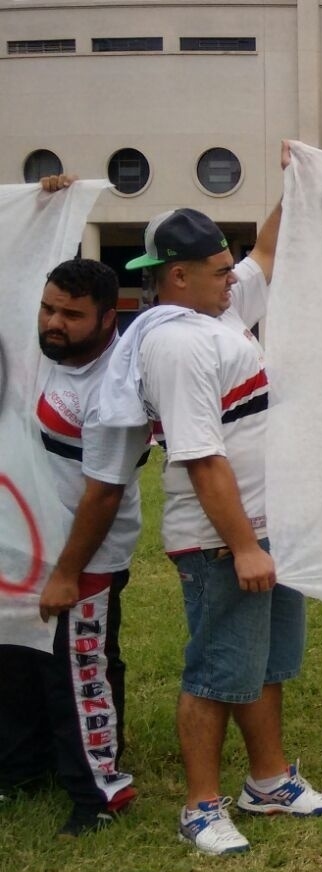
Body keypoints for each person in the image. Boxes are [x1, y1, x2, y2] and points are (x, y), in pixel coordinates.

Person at [90, 161, 322, 855]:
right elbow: (201, 456)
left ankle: (268, 781)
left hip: (265, 528)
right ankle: (201, 805)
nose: (234, 277)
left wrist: (298, 182)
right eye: (218, 270)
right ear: (177, 276)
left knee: (263, 665)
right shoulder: (175, 342)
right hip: (220, 539)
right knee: (217, 669)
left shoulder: (217, 313)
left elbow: (264, 253)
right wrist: (244, 544)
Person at [1, 177, 142, 837]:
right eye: (49, 309)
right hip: (24, 545)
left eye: (72, 315)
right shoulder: (44, 351)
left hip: (82, 555)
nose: (54, 323)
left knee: (77, 670)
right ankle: (22, 767)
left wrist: (67, 571)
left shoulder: (114, 388)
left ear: (107, 318)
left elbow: (103, 492)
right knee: (19, 662)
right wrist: (42, 205)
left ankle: (99, 793)